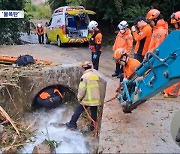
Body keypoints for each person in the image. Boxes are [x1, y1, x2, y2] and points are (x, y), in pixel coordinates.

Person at [66, 61, 101, 131]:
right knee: (93, 112)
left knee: (78, 110)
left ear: (84, 68)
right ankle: (93, 127)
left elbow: (82, 89)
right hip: (96, 98)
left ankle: (72, 124)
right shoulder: (95, 75)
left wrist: (79, 98)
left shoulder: (84, 77)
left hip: (87, 99)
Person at [163, 11, 180, 98]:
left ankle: (173, 92)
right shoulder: (177, 32)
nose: (174, 25)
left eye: (176, 23)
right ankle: (168, 90)